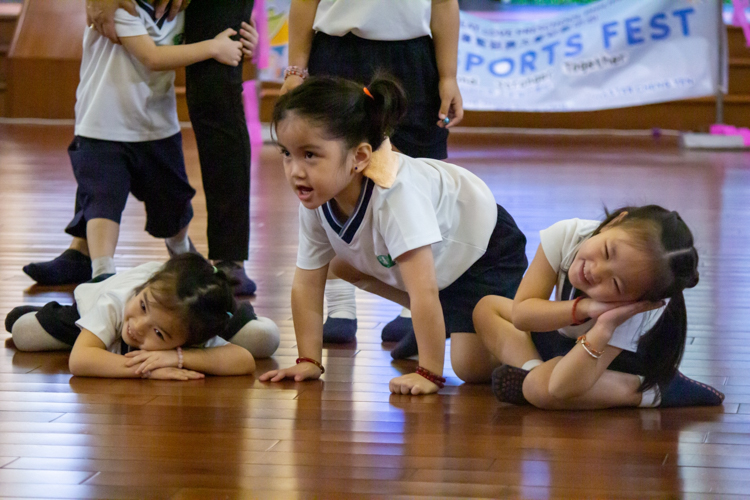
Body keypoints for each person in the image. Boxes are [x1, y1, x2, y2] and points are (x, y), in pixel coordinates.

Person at [258, 76, 527, 394]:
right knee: (338, 266)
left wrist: (428, 372)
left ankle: (540, 332)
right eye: (286, 154)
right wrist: (308, 360)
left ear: (359, 157)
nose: (295, 171)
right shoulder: (317, 196)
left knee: (470, 367)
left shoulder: (395, 196)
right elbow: (306, 283)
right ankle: (444, 320)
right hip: (440, 265)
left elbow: (424, 290)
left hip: (485, 251)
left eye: (310, 155)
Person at [24, 0, 260, 295]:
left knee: (173, 202)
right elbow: (151, 56)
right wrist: (214, 47)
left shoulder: (178, 15)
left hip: (156, 128)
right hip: (104, 126)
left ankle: (188, 256)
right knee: (103, 198)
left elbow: (215, 34)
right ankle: (100, 271)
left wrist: (238, 37)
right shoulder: (126, 8)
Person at [279, 0, 464, 344]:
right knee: (325, 175)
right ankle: (339, 305)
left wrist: (448, 75)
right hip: (338, 52)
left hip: (413, 57)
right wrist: (296, 69)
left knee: (418, 176)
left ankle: (414, 304)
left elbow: (444, 4)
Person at [473, 206, 725, 409]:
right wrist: (584, 308)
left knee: (541, 389)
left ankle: (647, 390)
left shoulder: (638, 309)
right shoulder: (567, 235)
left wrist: (605, 324)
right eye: (607, 251)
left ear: (633, 300)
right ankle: (532, 372)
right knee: (487, 308)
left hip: (612, 360)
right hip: (568, 339)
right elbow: (522, 315)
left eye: (615, 283)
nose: (595, 271)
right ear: (614, 222)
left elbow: (561, 387)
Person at [6, 254, 281, 379]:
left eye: (159, 334)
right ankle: (88, 333)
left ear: (187, 340)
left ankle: (105, 341)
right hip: (99, 296)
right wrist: (150, 369)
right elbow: (80, 361)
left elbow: (243, 362)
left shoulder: (192, 326)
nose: (137, 327)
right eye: (143, 307)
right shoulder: (118, 303)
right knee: (22, 331)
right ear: (141, 291)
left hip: (195, 302)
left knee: (264, 339)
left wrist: (177, 358)